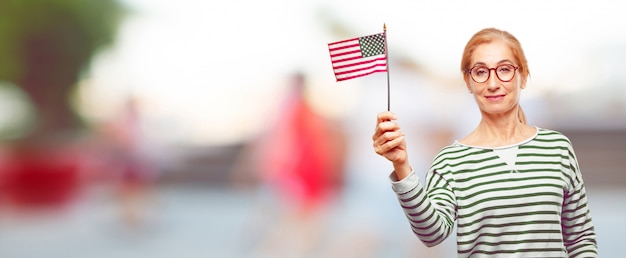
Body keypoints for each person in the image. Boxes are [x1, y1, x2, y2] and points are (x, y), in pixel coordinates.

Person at [372, 28, 598, 257]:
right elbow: (432, 234)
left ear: (524, 76)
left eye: (505, 70)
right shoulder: (451, 160)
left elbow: (581, 238)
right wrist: (401, 166)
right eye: (480, 72)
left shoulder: (557, 148)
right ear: (468, 82)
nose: (493, 83)